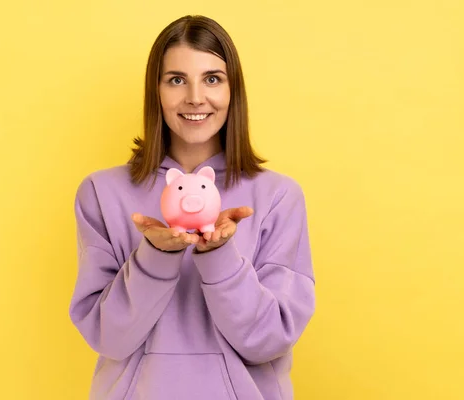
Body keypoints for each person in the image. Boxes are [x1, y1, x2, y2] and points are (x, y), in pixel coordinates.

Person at [69, 14, 315, 400]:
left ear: (234, 89)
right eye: (177, 79)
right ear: (157, 91)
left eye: (212, 78)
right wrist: (154, 256)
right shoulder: (102, 193)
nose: (195, 97)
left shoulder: (278, 196)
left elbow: (269, 340)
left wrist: (219, 255)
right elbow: (108, 337)